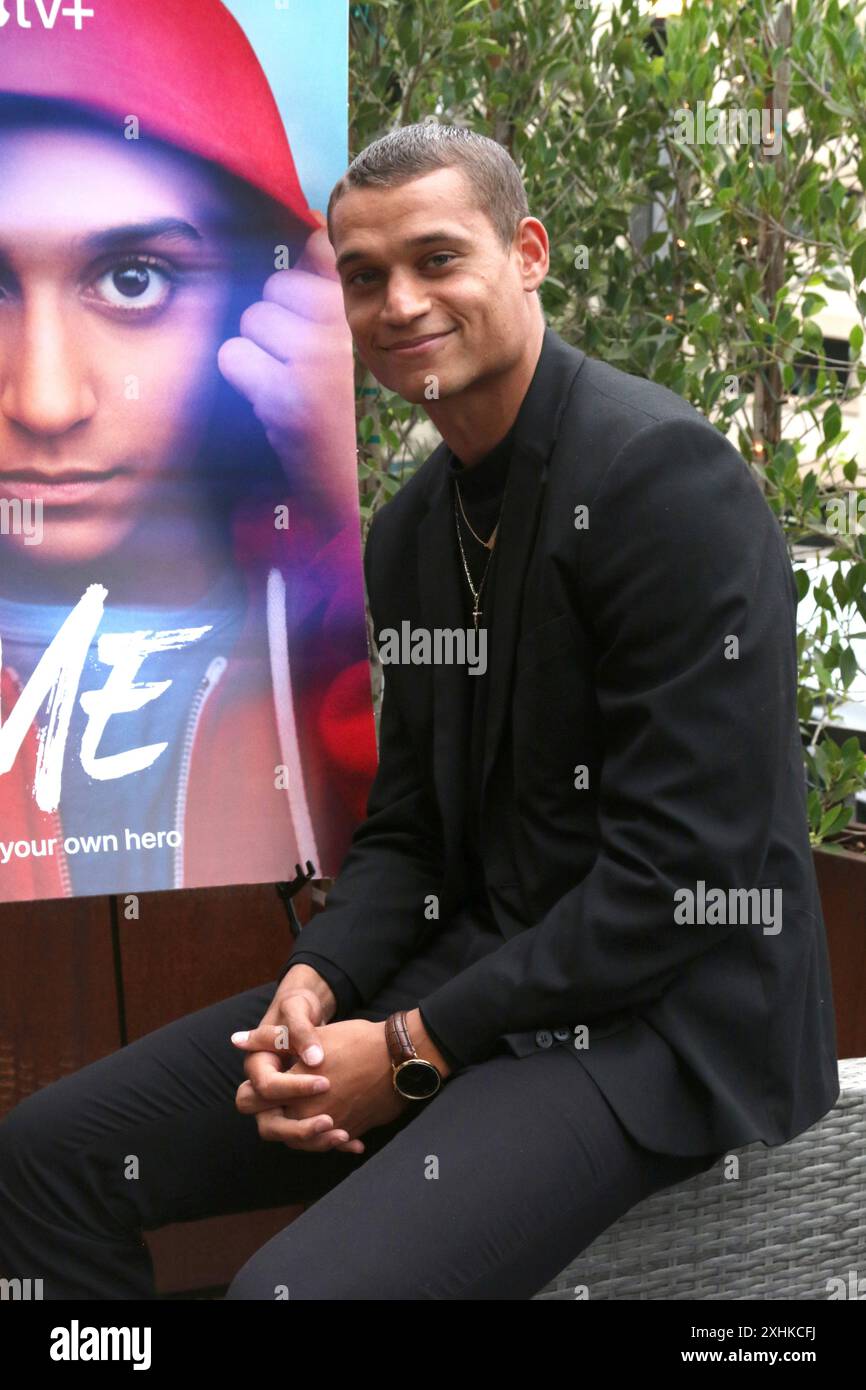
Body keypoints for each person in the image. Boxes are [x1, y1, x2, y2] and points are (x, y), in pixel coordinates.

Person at [0, 124, 840, 1301]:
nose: (399, 302)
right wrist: (319, 985)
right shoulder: (411, 530)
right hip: (474, 980)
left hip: (661, 1023)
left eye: (436, 259)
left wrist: (406, 1049)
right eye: (362, 275)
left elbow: (673, 877)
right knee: (45, 1158)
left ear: (527, 254)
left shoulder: (659, 481)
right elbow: (407, 831)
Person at [0, 0, 375, 900]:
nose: (47, 402)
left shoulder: (323, 640)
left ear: (269, 299)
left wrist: (344, 507)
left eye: (134, 280)